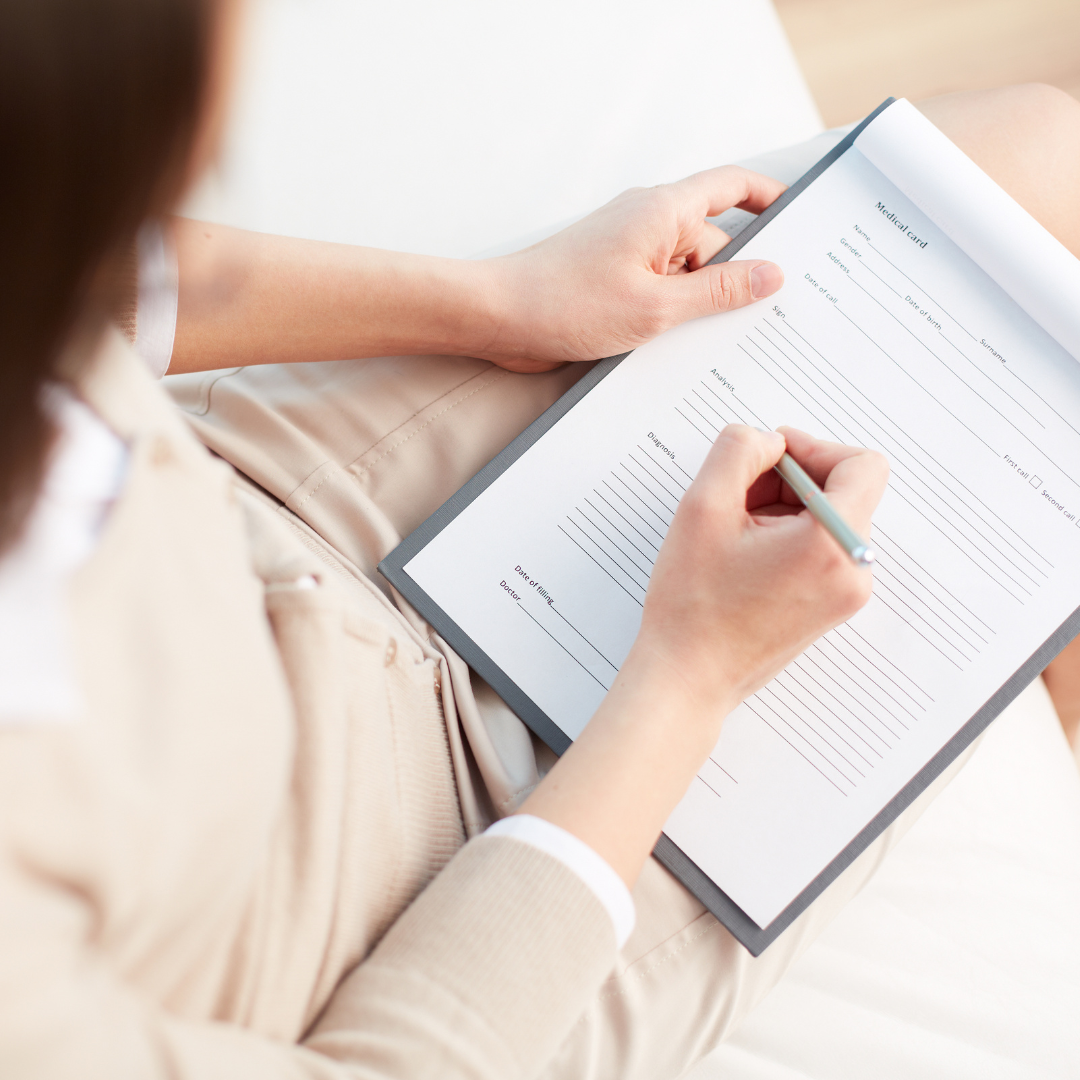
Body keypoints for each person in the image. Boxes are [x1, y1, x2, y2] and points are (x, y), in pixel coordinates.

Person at [2, 1, 1079, 1077]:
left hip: (266, 501)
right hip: (423, 918)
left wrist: (503, 302)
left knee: (1036, 157)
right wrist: (688, 677)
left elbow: (66, 256)